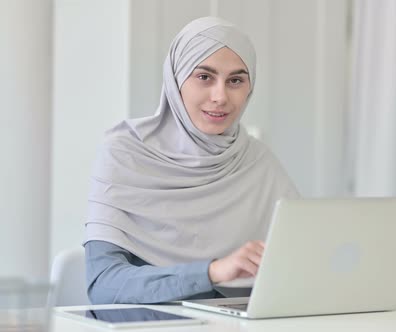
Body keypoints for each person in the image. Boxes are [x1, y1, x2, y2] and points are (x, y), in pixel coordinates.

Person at [84, 17, 299, 304]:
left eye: (235, 80)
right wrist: (211, 272)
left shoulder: (258, 161)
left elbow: (300, 264)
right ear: (176, 80)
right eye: (204, 77)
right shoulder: (125, 153)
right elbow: (104, 284)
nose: (220, 96)